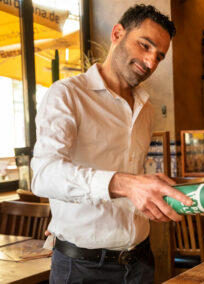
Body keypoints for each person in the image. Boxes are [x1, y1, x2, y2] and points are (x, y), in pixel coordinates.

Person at [31, 4, 192, 284]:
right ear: (117, 33)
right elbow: (44, 175)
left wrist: (152, 197)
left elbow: (127, 181)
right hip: (83, 269)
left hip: (140, 262)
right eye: (145, 45)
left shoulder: (147, 108)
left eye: (159, 56)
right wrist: (127, 183)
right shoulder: (67, 95)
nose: (151, 62)